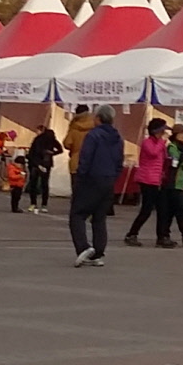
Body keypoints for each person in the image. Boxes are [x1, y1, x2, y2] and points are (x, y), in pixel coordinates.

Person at [71, 105, 125, 266]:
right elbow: (119, 162)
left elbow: (86, 158)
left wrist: (80, 177)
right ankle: (98, 252)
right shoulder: (118, 137)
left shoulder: (93, 135)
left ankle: (83, 247)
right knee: (99, 217)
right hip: (108, 179)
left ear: (99, 118)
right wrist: (113, 176)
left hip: (92, 178)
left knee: (77, 214)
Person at [125, 118, 173, 246]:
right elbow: (153, 153)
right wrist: (162, 142)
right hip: (147, 179)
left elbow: (162, 158)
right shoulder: (147, 142)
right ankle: (132, 233)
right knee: (146, 209)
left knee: (163, 209)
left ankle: (162, 236)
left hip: (157, 179)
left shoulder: (160, 143)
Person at [24, 125, 61, 214]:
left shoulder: (38, 140)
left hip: (35, 164)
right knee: (45, 184)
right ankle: (44, 205)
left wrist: (35, 163)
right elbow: (60, 149)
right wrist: (52, 153)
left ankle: (33, 204)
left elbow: (32, 152)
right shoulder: (52, 140)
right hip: (46, 164)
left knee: (34, 183)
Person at [63, 104, 97, 173]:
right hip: (93, 163)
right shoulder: (95, 127)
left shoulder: (74, 128)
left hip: (76, 162)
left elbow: (67, 144)